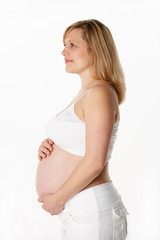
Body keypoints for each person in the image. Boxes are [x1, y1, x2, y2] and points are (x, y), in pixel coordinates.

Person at [36, 19, 129, 240]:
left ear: (95, 49)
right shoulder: (88, 93)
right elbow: (78, 142)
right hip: (82, 211)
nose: (63, 51)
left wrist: (58, 198)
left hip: (91, 211)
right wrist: (51, 145)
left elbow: (96, 161)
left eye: (72, 44)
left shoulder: (99, 93)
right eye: (65, 44)